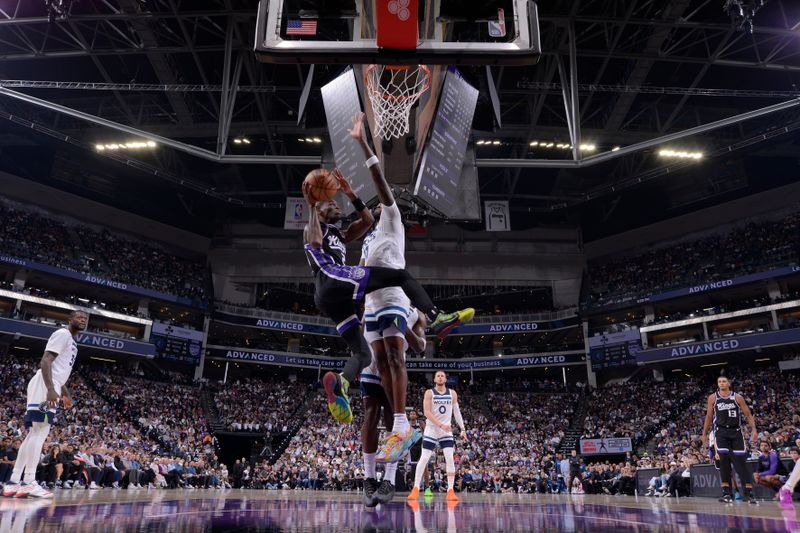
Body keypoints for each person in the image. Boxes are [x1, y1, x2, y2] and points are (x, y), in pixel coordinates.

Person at [304, 112, 473, 425]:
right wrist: (313, 205)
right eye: (332, 205)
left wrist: (352, 194)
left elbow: (366, 220)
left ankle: (340, 383)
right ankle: (437, 316)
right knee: (398, 276)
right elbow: (313, 239)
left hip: (339, 299)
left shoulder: (345, 233)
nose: (336, 206)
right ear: (321, 209)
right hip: (330, 281)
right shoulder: (316, 230)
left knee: (364, 355)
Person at [2, 310, 88, 499]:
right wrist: (50, 389)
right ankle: (29, 481)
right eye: (79, 317)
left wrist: (65, 394)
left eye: (85, 319)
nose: (82, 320)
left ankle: (14, 481)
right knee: (40, 432)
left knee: (35, 433)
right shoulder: (63, 334)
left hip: (52, 384)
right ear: (70, 319)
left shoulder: (73, 343)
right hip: (45, 384)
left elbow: (60, 372)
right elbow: (46, 360)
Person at [360, 309, 427, 507]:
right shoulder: (373, 301)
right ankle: (369, 478)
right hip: (371, 365)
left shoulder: (418, 314)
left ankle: (388, 480)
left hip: (395, 368)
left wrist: (403, 327)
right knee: (370, 417)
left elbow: (421, 346)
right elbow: (361, 332)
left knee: (392, 420)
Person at [407, 371, 467, 502]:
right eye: (438, 376)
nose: (440, 377)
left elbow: (457, 412)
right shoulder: (429, 393)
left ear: (446, 379)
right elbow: (427, 412)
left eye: (442, 376)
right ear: (434, 379)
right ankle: (416, 488)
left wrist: (462, 429)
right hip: (432, 428)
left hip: (445, 430)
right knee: (424, 458)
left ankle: (450, 490)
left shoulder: (452, 393)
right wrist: (440, 425)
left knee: (450, 459)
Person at [701, 375, 758, 504]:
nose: (721, 383)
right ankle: (727, 493)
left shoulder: (737, 397)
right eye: (719, 381)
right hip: (720, 432)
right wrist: (704, 433)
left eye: (724, 381)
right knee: (724, 463)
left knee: (740, 463)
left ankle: (748, 493)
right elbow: (709, 416)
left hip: (736, 431)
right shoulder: (713, 398)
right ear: (717, 384)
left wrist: (754, 430)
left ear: (729, 383)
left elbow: (748, 414)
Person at [779, 441, 800, 508]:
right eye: (791, 453)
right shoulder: (790, 464)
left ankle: (787, 487)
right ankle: (787, 488)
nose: (793, 455)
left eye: (795, 453)